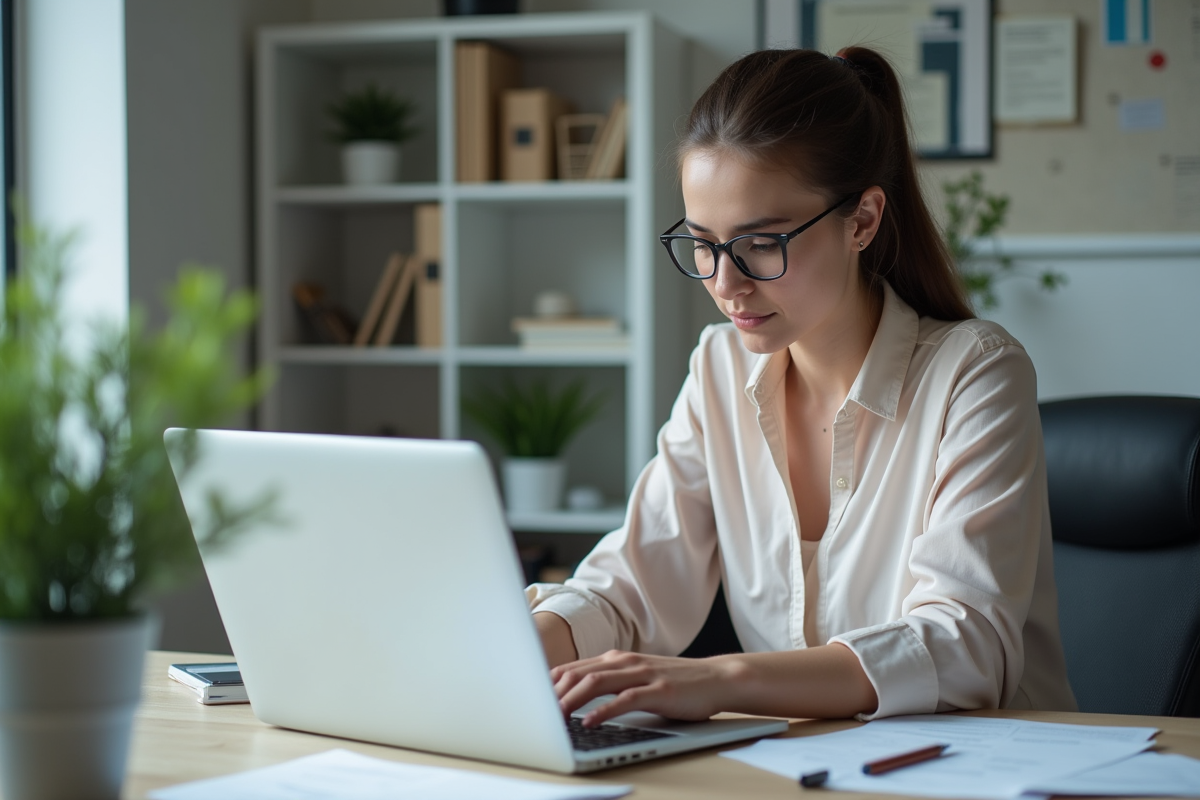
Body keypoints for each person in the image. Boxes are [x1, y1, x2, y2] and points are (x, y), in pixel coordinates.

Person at [526, 46, 1077, 727]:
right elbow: (634, 583)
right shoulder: (720, 368)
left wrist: (722, 680)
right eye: (703, 243)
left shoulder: (976, 373)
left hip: (989, 769)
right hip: (807, 767)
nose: (725, 284)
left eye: (762, 243)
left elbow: (965, 645)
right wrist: (521, 647)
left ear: (863, 221)